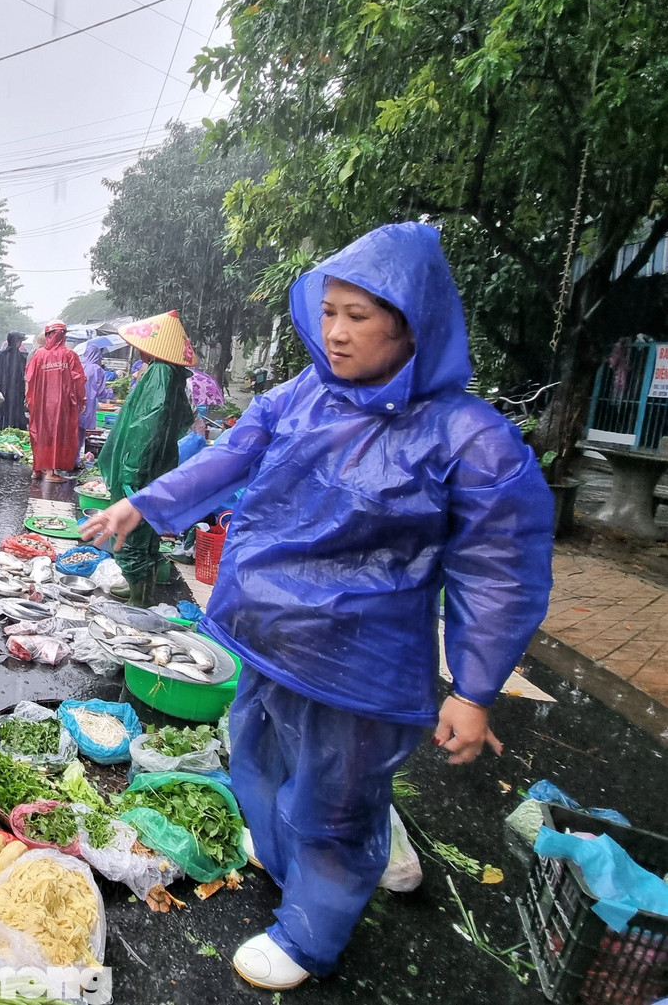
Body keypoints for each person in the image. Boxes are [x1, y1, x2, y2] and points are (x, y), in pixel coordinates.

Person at [80, 223, 554, 989]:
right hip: (266, 637)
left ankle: (311, 934)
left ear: (409, 324)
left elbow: (500, 570)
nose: (335, 332)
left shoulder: (469, 438)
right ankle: (287, 856)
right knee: (257, 757)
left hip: (359, 667)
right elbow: (232, 455)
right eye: (329, 310)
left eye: (358, 316)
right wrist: (141, 504)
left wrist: (473, 688)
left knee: (336, 800)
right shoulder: (302, 395)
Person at [94, 312, 196, 605]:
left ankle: (140, 599)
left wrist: (131, 472)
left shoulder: (160, 375)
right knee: (146, 530)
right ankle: (141, 588)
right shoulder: (170, 373)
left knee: (134, 533)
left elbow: (146, 427)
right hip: (157, 465)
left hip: (141, 466)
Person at [24, 322, 85, 482]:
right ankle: (51, 472)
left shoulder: (38, 355)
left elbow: (29, 378)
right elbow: (78, 379)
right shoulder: (69, 355)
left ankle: (37, 469)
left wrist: (30, 399)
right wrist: (81, 400)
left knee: (40, 434)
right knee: (56, 436)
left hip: (40, 402)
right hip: (61, 404)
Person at [0, 331, 28, 429]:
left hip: (16, 391)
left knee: (16, 411)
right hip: (3, 388)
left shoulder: (21, 357)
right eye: (19, 341)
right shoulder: (1, 355)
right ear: (14, 341)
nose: (20, 344)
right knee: (2, 410)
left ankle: (14, 429)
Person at [78, 343, 111, 456]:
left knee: (70, 433)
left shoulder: (77, 365)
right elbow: (101, 392)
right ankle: (74, 461)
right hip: (87, 405)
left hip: (73, 404)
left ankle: (65, 460)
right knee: (80, 433)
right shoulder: (97, 370)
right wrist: (110, 393)